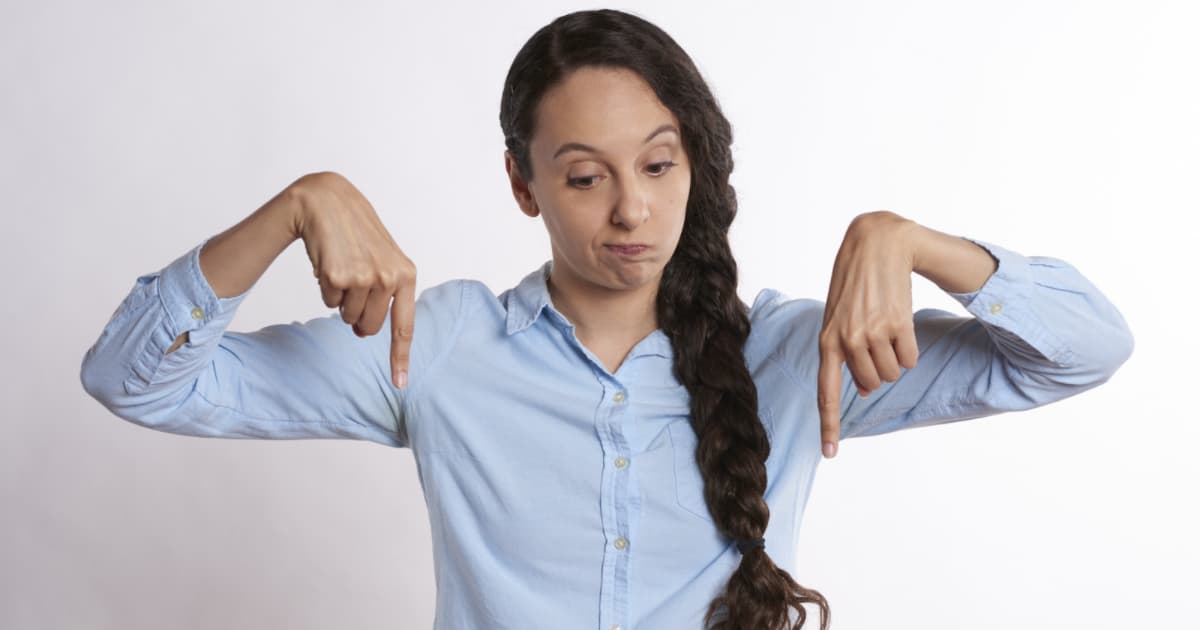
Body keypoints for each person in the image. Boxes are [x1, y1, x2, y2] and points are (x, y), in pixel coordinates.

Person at [79, 8, 1134, 630]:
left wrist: (907, 239)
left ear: (696, 167)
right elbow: (134, 379)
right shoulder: (434, 349)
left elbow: (1083, 352)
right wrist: (292, 206)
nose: (631, 210)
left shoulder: (794, 356)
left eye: (659, 166)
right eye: (584, 176)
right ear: (522, 184)